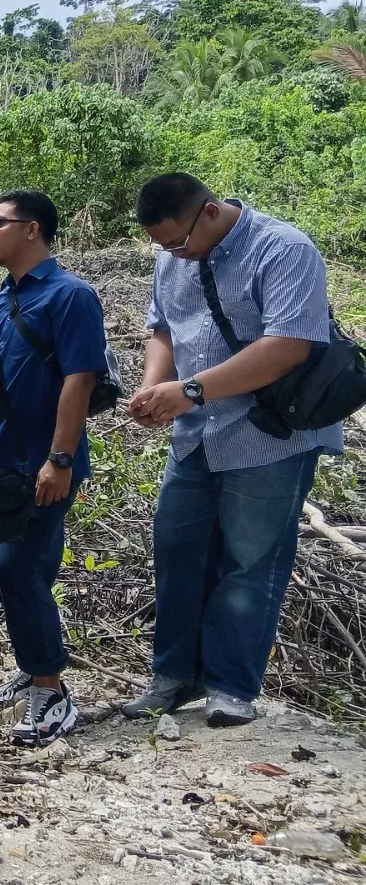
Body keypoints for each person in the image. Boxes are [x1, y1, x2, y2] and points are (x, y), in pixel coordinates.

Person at [123, 174, 341, 727]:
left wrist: (190, 390)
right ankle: (174, 677)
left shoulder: (284, 249)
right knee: (177, 551)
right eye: (163, 246)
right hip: (196, 433)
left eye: (179, 242)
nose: (175, 254)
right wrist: (155, 387)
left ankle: (231, 687)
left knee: (250, 561)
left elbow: (287, 346)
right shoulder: (172, 255)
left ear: (211, 212)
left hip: (271, 435)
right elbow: (163, 329)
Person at [0, 191, 106, 746]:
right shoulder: (1, 297)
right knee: (13, 568)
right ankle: (34, 668)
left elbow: (80, 379)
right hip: (4, 462)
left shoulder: (70, 295)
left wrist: (59, 458)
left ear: (31, 230)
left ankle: (51, 693)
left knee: (17, 570)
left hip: (45, 462)